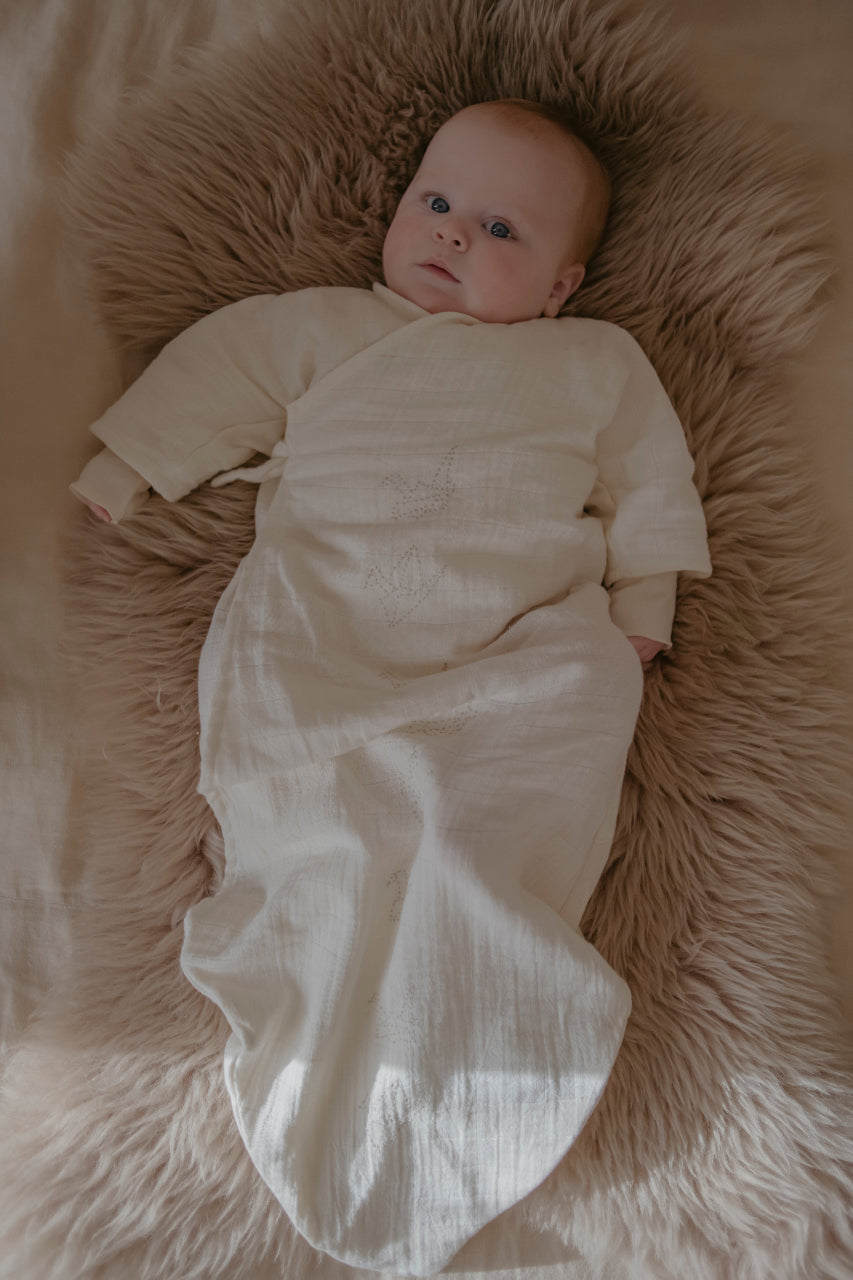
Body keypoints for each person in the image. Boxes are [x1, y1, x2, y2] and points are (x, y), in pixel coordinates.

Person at [71, 99, 712, 1276]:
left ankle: (473, 956)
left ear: (564, 286)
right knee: (319, 796)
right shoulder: (314, 330)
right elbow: (209, 377)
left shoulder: (593, 364)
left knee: (568, 703)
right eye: (436, 203)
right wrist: (131, 464)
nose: (455, 235)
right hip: (336, 622)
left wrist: (641, 609)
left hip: (517, 642)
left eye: (500, 228)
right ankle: (334, 960)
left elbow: (649, 482)